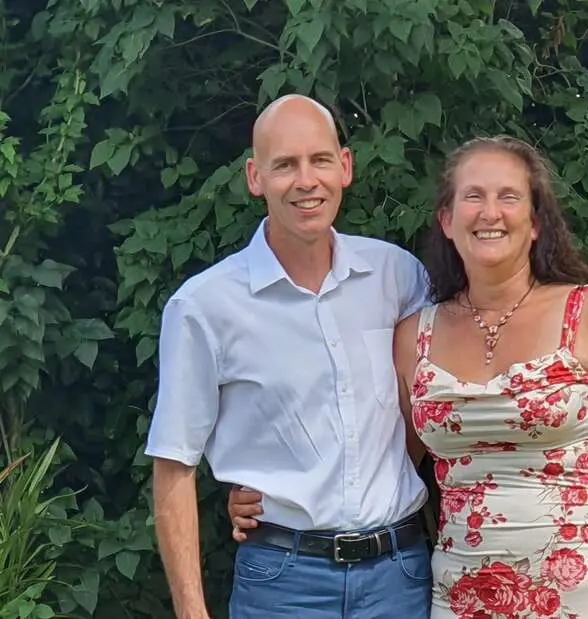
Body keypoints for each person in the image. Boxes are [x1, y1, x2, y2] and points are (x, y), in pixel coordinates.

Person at [231, 133, 588, 618]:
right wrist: (276, 495)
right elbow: (377, 462)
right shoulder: (413, 338)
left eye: (508, 197)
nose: (490, 212)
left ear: (535, 222)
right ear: (446, 220)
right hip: (460, 597)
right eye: (473, 197)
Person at [144, 94, 434, 619]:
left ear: (344, 166)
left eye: (320, 160)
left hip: (399, 575)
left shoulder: (399, 277)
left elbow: (427, 407)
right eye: (285, 165)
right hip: (283, 582)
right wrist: (191, 612)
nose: (306, 181)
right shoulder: (204, 306)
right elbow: (173, 465)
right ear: (255, 178)